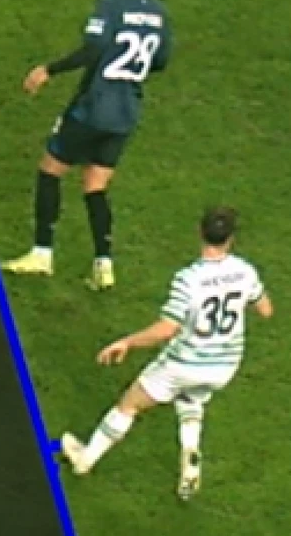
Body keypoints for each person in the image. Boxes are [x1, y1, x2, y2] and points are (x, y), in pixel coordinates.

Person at [55, 207, 273, 500]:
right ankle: (191, 459)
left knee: (129, 404)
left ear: (200, 232)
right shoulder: (246, 271)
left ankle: (85, 459)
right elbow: (265, 310)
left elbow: (167, 329)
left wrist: (127, 342)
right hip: (224, 367)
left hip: (185, 363)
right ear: (231, 238)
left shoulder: (189, 278)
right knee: (191, 399)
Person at [1, 0, 172, 291]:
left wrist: (48, 70)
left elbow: (93, 48)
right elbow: (160, 60)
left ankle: (42, 253)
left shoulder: (110, 5)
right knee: (96, 184)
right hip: (126, 113)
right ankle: (103, 264)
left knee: (50, 169)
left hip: (94, 107)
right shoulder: (160, 14)